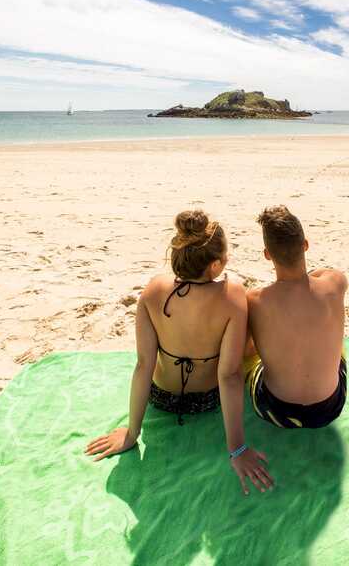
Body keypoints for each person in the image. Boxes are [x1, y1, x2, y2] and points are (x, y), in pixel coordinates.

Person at [85, 210, 272, 495]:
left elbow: (143, 365)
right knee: (251, 332)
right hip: (208, 400)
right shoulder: (232, 295)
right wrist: (237, 448)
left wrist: (132, 433)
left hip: (161, 398)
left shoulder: (153, 290)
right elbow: (230, 375)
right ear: (214, 265)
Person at [244, 205, 348, 429]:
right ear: (306, 245)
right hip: (331, 408)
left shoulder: (254, 300)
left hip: (276, 411)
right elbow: (323, 273)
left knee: (250, 353)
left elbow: (245, 351)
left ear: (267, 254)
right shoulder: (335, 283)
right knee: (338, 345)